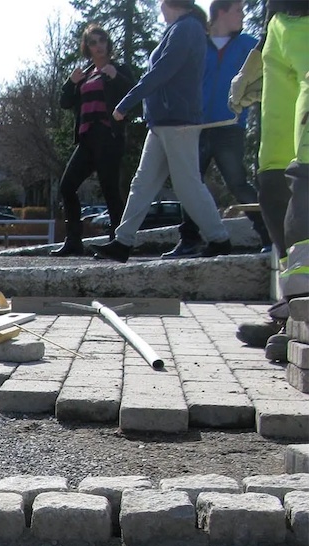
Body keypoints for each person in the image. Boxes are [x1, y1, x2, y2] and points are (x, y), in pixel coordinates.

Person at [91, 0, 233, 263]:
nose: (159, 9)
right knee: (142, 184)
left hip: (178, 120)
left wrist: (126, 102)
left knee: (187, 184)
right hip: (162, 121)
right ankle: (123, 242)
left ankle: (219, 238)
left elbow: (162, 71)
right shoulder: (180, 28)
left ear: (170, 4)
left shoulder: (187, 28)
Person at [163, 0, 270, 259]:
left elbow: (264, 76)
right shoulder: (196, 39)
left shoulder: (249, 45)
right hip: (194, 125)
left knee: (238, 183)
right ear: (221, 12)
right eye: (238, 10)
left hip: (229, 126)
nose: (243, 15)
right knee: (190, 183)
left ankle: (269, 236)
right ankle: (189, 240)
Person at [231, 0, 309, 358]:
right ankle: (291, 313)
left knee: (306, 172)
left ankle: (305, 322)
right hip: (279, 28)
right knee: (273, 177)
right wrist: (262, 47)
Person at [52, 24, 135, 256]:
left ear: (108, 43)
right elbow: (65, 103)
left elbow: (135, 93)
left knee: (110, 190)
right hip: (87, 138)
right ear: (87, 48)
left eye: (101, 41)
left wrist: (115, 76)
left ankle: (117, 243)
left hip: (109, 135)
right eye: (92, 43)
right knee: (67, 186)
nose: (98, 46)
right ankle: (73, 241)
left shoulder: (118, 69)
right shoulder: (85, 74)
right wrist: (71, 82)